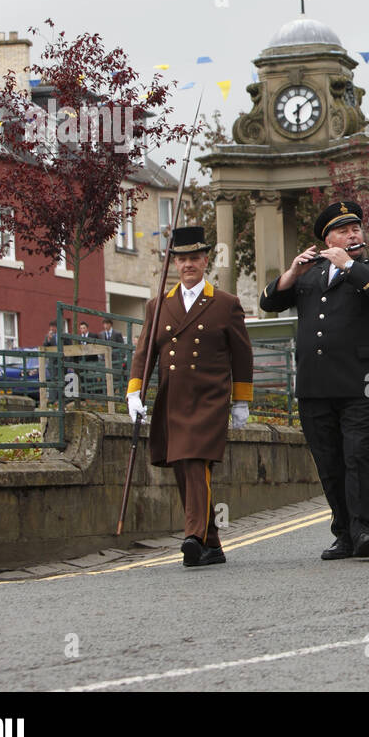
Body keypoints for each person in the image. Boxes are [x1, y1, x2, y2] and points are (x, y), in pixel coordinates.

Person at [259, 200, 369, 560]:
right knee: (328, 460)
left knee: (357, 455)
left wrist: (349, 265)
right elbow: (269, 302)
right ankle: (343, 533)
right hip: (315, 384)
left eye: (356, 228)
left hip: (360, 382)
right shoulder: (311, 274)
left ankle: (363, 529)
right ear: (327, 238)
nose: (353, 234)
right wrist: (291, 272)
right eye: (344, 230)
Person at [127, 226, 254, 568]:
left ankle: (193, 536)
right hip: (173, 398)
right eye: (181, 259)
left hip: (210, 399)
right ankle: (212, 545)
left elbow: (242, 355)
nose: (188, 265)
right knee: (183, 467)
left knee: (195, 461)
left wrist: (241, 400)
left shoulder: (225, 304)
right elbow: (144, 353)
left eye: (194, 258)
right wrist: (134, 391)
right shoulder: (159, 305)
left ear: (205, 260)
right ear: (174, 263)